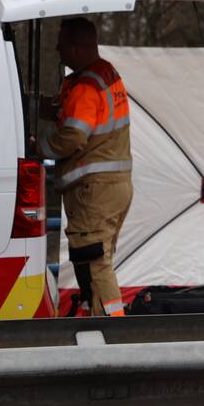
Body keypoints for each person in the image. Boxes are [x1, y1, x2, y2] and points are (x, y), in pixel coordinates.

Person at [40, 17, 133, 317]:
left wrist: (40, 148)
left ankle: (111, 329)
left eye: (61, 45)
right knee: (96, 260)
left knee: (94, 263)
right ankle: (99, 319)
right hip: (112, 187)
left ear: (77, 48)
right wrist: (34, 105)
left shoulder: (85, 86)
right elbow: (69, 110)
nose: (57, 50)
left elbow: (73, 135)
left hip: (94, 190)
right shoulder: (103, 74)